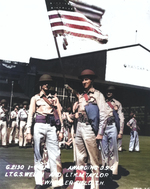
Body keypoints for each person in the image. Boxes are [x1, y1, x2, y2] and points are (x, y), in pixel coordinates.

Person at [26, 74, 64, 189]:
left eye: (48, 83)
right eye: (44, 83)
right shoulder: (35, 98)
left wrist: (61, 130)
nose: (46, 84)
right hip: (39, 125)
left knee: (55, 154)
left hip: (52, 126)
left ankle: (56, 181)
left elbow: (59, 115)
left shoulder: (54, 99)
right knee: (38, 154)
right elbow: (31, 115)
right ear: (41, 85)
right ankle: (39, 182)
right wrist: (28, 131)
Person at [73, 69, 107, 189]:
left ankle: (94, 186)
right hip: (79, 127)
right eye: (82, 79)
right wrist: (75, 114)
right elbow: (80, 112)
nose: (84, 81)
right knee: (80, 159)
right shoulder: (81, 96)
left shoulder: (98, 95)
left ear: (92, 80)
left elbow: (104, 114)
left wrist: (101, 133)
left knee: (93, 160)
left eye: (86, 79)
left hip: (90, 129)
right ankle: (79, 185)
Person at [101, 86, 124, 175]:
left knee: (113, 150)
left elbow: (121, 117)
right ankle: (104, 169)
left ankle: (113, 171)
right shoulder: (102, 102)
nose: (109, 93)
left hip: (112, 126)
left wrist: (121, 131)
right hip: (103, 126)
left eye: (111, 91)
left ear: (113, 93)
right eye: (107, 91)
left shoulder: (117, 103)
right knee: (104, 150)